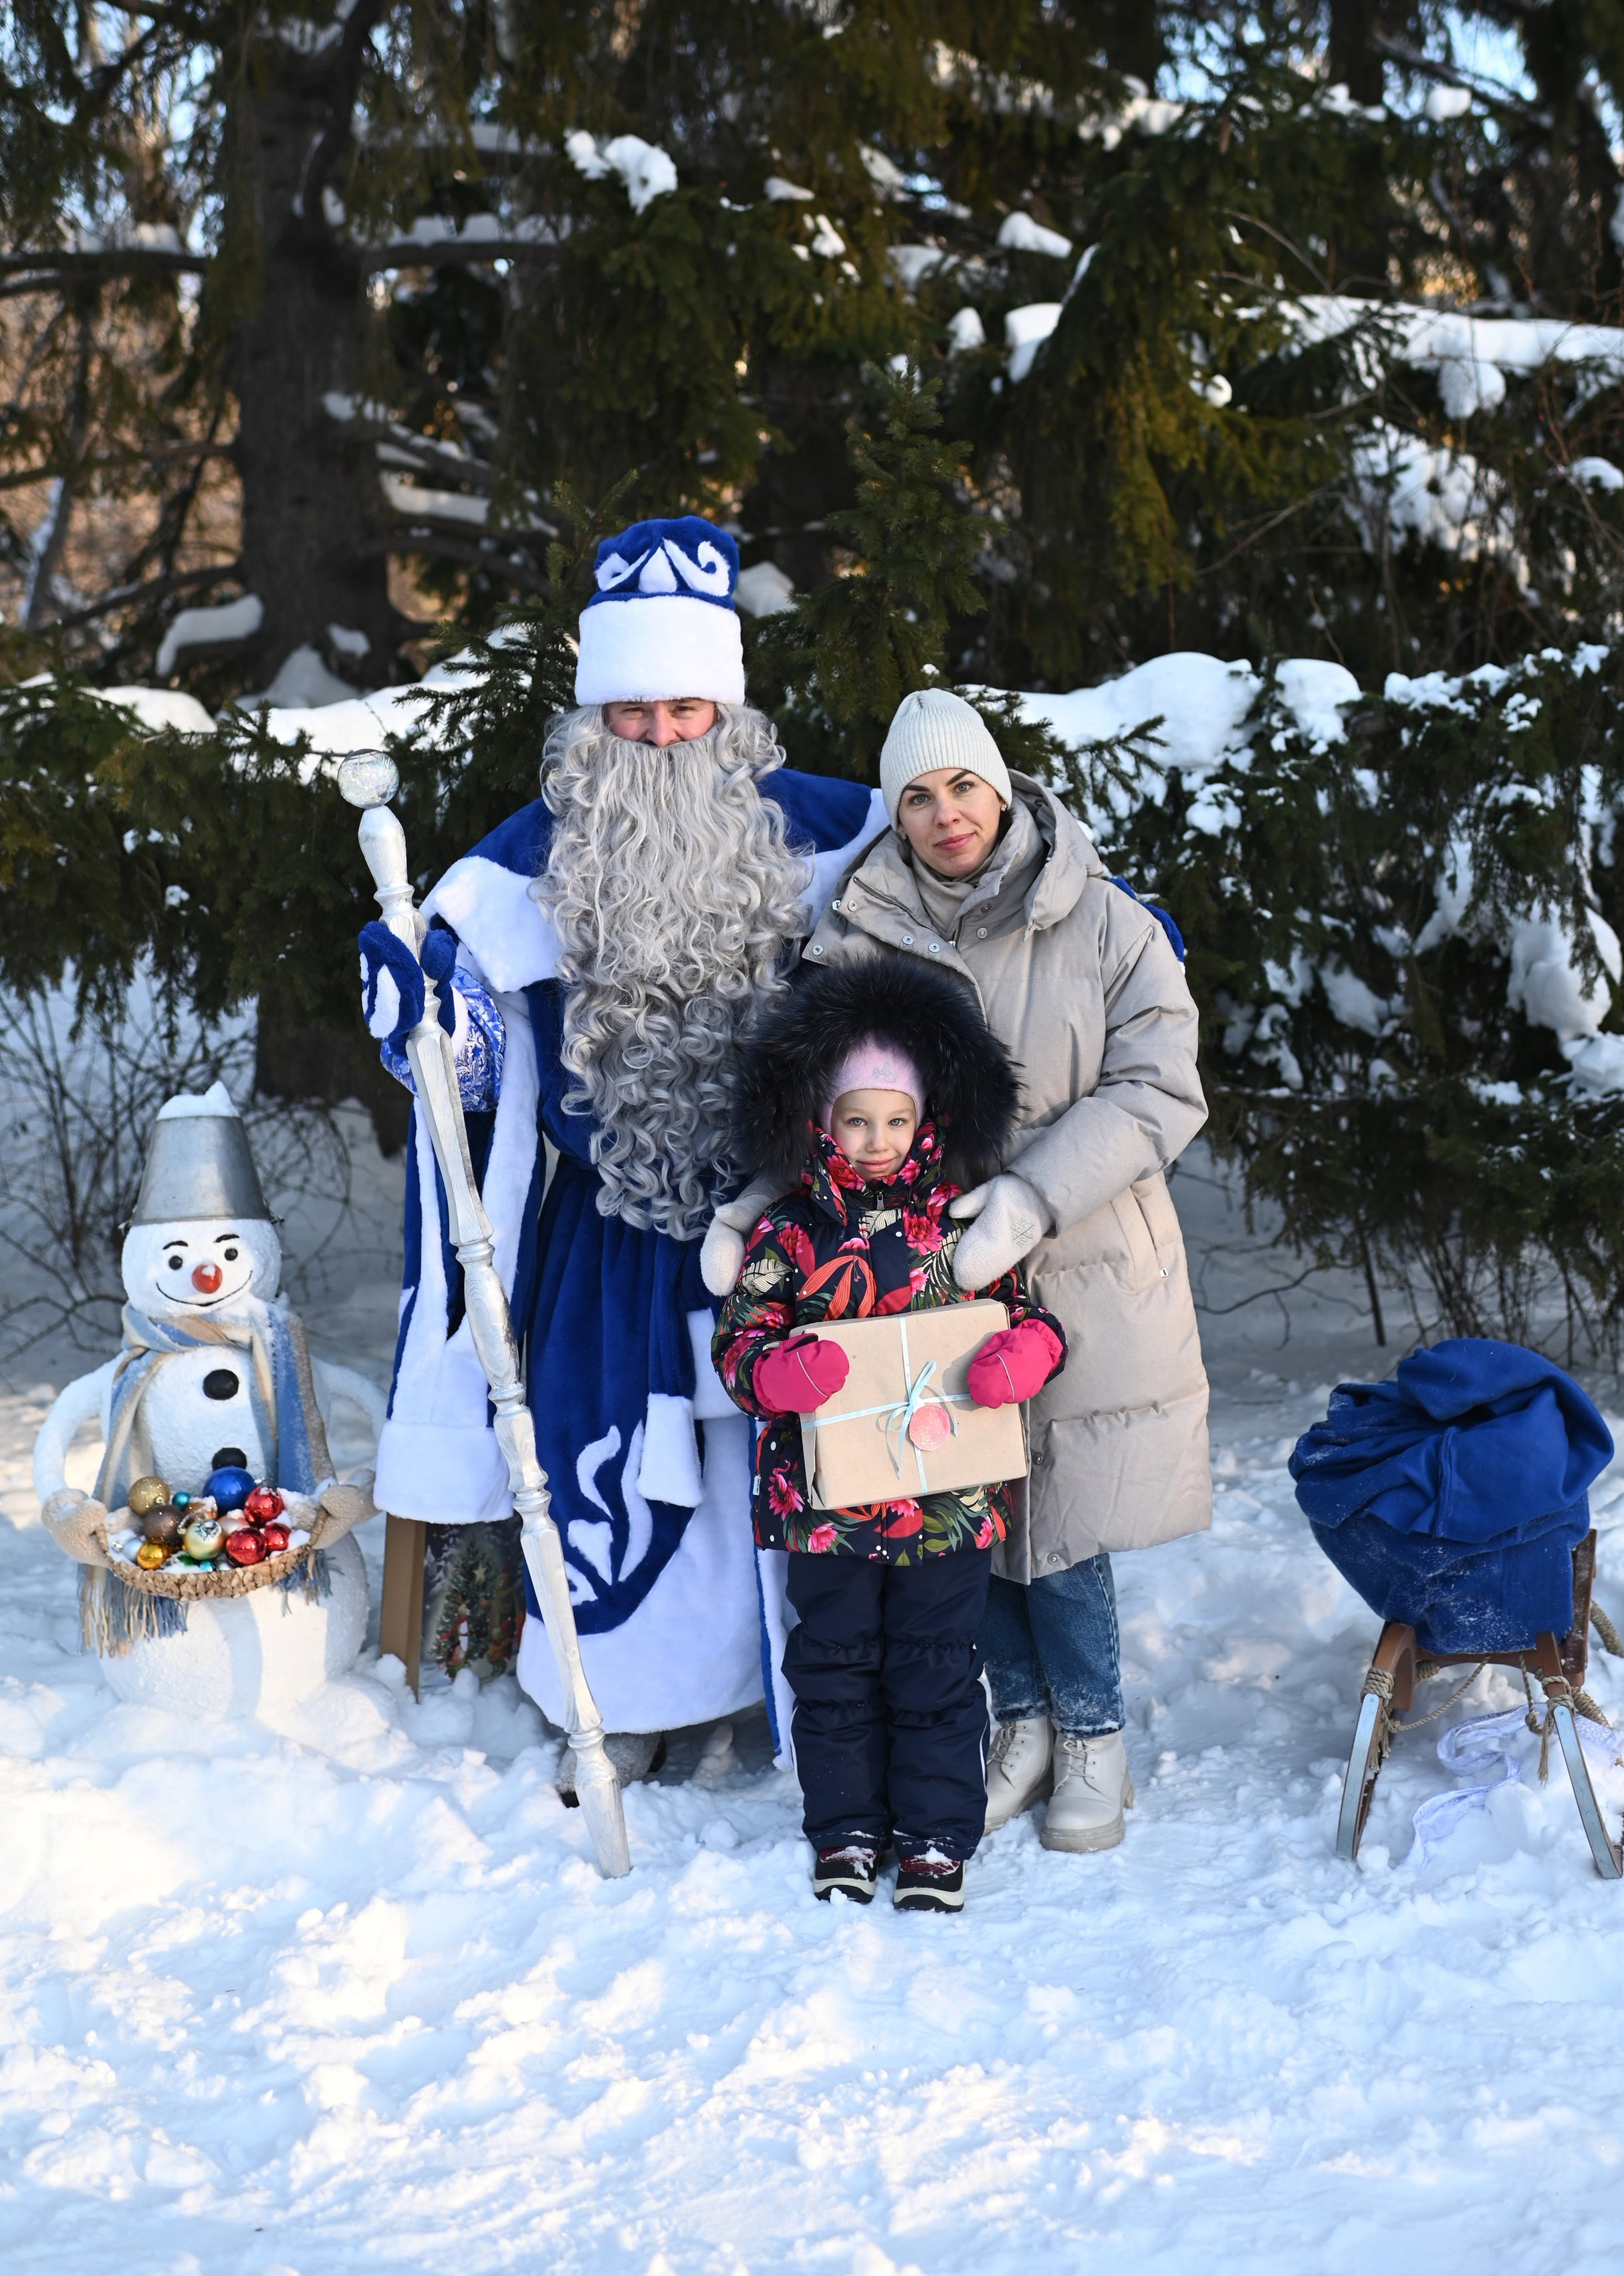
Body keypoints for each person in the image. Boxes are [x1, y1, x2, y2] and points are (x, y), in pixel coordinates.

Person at [356, 517, 888, 1785]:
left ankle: (817, 1702)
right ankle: (638, 1701)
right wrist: (419, 1016)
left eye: (684, 710)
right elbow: (471, 1077)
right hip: (612, 1241)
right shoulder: (516, 871)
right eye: (633, 712)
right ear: (595, 719)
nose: (658, 737)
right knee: (629, 1484)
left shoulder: (835, 833)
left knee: (797, 1467)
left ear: (728, 713)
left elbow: (974, 905)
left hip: (798, 1232)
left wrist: (1106, 944)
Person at [786, 685, 1211, 1853]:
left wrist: (1031, 1193)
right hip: (932, 1276)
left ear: (1003, 786)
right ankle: (1017, 1724)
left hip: (1084, 1253)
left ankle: (1094, 1735)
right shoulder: (856, 936)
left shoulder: (1104, 920)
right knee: (975, 1505)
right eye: (918, 798)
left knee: (1063, 1519)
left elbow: (1161, 1085)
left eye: (963, 785)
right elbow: (814, 1100)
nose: (947, 815)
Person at [710, 954, 1065, 1909]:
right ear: (820, 1120)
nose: (875, 1142)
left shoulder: (956, 1226)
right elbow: (740, 1341)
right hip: (824, 1508)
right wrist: (776, 1373)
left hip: (944, 1502)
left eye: (895, 1121)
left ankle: (936, 1837)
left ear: (925, 1120)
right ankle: (846, 1828)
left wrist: (1022, 1356)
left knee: (937, 1666)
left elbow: (1025, 1314)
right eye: (856, 1120)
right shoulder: (789, 1233)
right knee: (833, 1665)